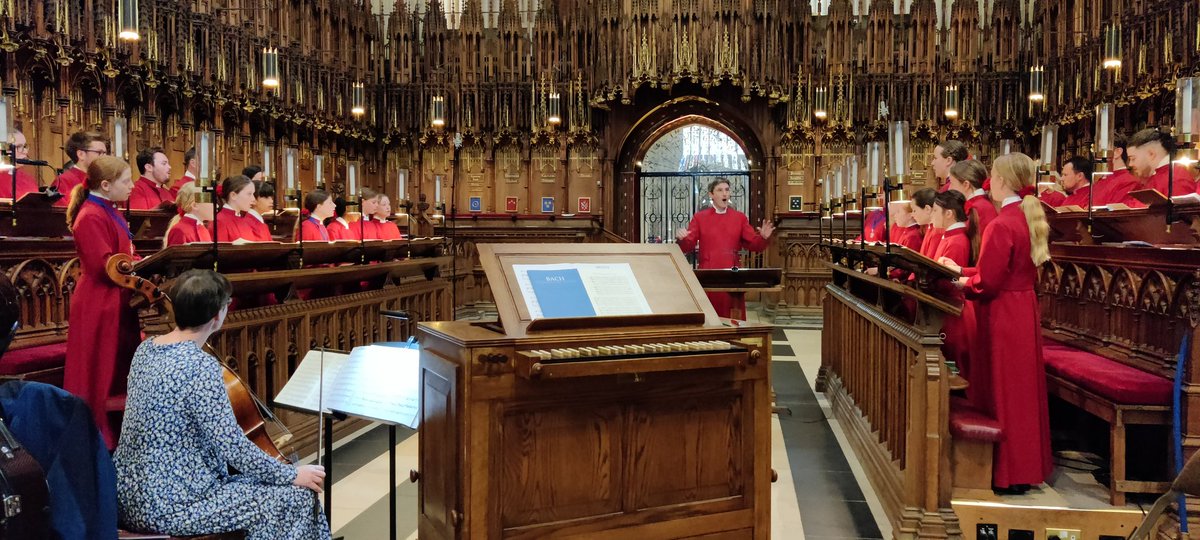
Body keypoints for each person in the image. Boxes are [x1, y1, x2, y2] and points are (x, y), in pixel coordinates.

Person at [114, 270, 330, 539]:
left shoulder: (145, 350)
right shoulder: (200, 366)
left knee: (262, 487)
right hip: (174, 504)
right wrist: (291, 475)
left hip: (128, 497)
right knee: (297, 497)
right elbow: (232, 446)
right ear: (217, 316)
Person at [939, 152, 1053, 492]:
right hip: (1022, 309)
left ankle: (1007, 471)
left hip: (1002, 312)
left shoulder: (1002, 224)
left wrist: (961, 281)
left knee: (1004, 388)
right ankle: (1025, 468)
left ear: (1001, 181)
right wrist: (963, 270)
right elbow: (1002, 270)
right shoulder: (1025, 217)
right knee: (1021, 389)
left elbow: (988, 282)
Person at [62, 155, 140, 449]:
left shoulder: (109, 209)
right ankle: (97, 434)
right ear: (106, 185)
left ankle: (118, 432)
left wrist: (139, 262)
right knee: (98, 368)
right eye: (126, 181)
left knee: (116, 367)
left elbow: (123, 253)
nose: (132, 186)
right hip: (99, 302)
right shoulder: (91, 215)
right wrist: (134, 266)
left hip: (116, 297)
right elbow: (104, 265)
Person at [675, 178, 774, 319]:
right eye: (720, 190)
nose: (725, 193)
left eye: (727, 190)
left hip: (732, 276)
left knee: (732, 318)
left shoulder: (739, 218)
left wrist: (763, 237)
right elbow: (687, 245)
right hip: (709, 275)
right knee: (710, 318)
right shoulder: (700, 218)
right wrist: (682, 238)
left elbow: (753, 244)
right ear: (711, 194)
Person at [930, 190, 977, 393]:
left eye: (935, 210)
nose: (932, 215)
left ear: (948, 213)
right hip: (947, 309)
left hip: (954, 312)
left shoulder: (957, 240)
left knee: (954, 369)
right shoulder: (949, 236)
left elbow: (951, 281)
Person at [947, 159, 998, 264]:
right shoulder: (977, 204)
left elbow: (982, 248)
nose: (949, 188)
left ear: (966, 184)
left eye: (952, 183)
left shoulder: (980, 208)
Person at [1127, 128, 1199, 197]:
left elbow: (1183, 206)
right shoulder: (1158, 176)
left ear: (1151, 154)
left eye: (1133, 158)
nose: (1130, 164)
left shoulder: (1174, 179)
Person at [52, 131, 107, 207]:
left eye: (105, 153)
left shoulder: (105, 179)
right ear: (81, 154)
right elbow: (63, 212)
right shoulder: (62, 182)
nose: (104, 157)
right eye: (99, 152)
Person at [1093, 133, 1144, 207]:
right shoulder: (1101, 180)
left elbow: (1115, 210)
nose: (1095, 154)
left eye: (1101, 149)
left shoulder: (1128, 181)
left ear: (1117, 152)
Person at [213, 175, 269, 242]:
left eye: (253, 194)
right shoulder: (219, 222)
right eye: (249, 194)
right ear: (233, 195)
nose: (253, 199)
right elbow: (221, 248)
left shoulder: (244, 220)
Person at [164, 182, 214, 247]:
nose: (217, 206)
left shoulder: (203, 229)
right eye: (211, 201)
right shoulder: (179, 231)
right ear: (195, 205)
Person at [0, 129, 40, 199]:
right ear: (3, 151)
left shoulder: (29, 179)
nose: (25, 151)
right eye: (19, 147)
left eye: (25, 146)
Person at [910, 188, 940, 257]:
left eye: (914, 210)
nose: (912, 214)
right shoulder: (930, 228)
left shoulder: (937, 232)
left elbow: (930, 261)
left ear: (927, 209)